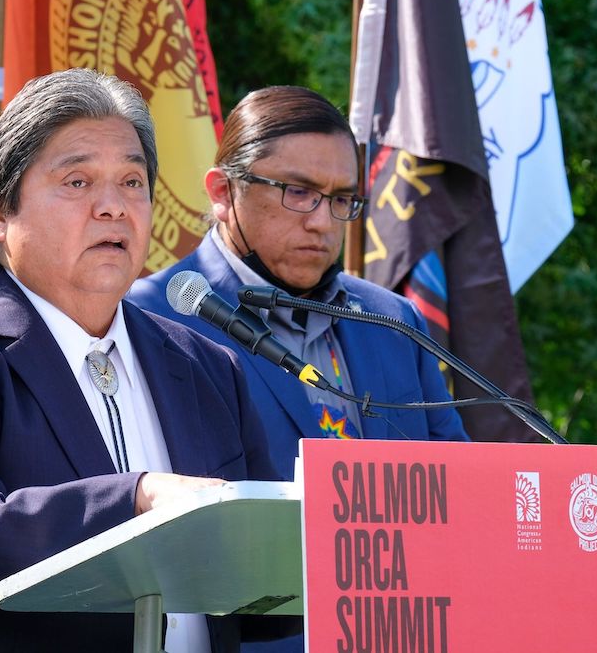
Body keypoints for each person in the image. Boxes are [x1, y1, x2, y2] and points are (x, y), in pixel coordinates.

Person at [0, 68, 283, 653]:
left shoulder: (208, 367)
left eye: (132, 181)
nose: (113, 207)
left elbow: (260, 593)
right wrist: (137, 500)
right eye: (78, 181)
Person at [129, 85, 470, 485]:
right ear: (223, 192)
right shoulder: (148, 319)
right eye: (298, 192)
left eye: (341, 199)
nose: (322, 223)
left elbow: (457, 481)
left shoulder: (394, 320)